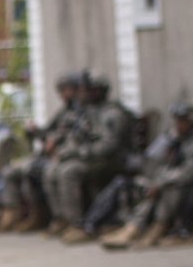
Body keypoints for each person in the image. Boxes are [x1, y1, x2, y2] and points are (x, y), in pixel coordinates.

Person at [104, 95, 193, 250]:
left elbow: (191, 171)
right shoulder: (179, 141)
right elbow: (165, 164)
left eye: (182, 121)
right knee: (151, 187)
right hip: (176, 183)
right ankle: (133, 228)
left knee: (169, 188)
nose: (178, 125)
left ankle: (158, 227)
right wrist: (158, 182)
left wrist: (162, 182)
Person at [45, 72, 135, 242]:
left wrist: (78, 153)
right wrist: (66, 151)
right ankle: (62, 219)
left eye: (85, 90)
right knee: (52, 170)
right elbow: (75, 136)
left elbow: (109, 147)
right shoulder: (87, 111)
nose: (81, 93)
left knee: (68, 172)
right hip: (91, 157)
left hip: (111, 161)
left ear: (97, 91)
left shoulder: (112, 113)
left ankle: (78, 224)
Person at [0, 70, 83, 233]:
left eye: (68, 89)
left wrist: (58, 145)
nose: (64, 94)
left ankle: (67, 220)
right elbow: (49, 133)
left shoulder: (82, 112)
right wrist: (35, 131)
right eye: (62, 90)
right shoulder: (64, 112)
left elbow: (76, 138)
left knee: (47, 172)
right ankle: (15, 212)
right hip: (54, 155)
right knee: (11, 171)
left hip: (70, 156)